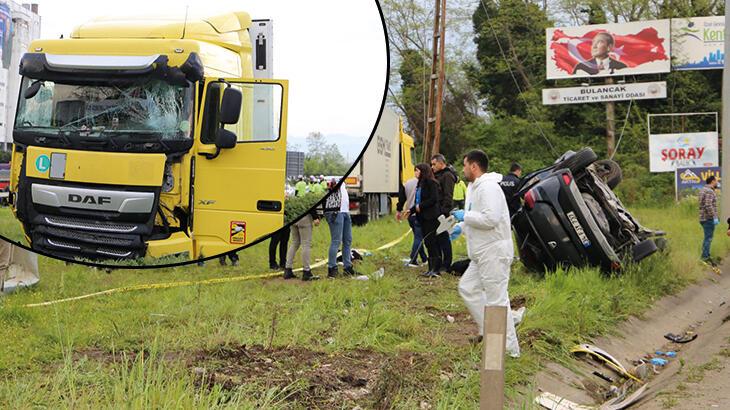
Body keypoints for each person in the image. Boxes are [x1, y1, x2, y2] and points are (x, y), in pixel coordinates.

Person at [452, 149, 520, 357]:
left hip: (493, 252)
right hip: (481, 253)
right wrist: (461, 226)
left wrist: (466, 216)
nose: (463, 169)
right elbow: (477, 217)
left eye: (465, 165)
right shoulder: (475, 187)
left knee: (497, 301)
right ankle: (489, 330)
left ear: (474, 166)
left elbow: (490, 219)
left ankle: (509, 350)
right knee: (468, 288)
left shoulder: (488, 187)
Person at [411, 163, 442, 278]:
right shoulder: (419, 184)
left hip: (431, 217)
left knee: (432, 241)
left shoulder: (432, 183)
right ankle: (430, 268)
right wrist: (411, 210)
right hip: (422, 217)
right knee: (427, 242)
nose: (416, 173)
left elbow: (433, 199)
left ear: (423, 171)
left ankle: (436, 268)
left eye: (417, 170)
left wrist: (421, 206)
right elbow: (417, 201)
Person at [324, 179, 359, 278]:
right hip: (335, 212)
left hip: (345, 211)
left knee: (347, 240)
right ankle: (332, 269)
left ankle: (347, 267)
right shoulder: (332, 179)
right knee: (336, 241)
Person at [431, 154, 458, 273]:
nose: (432, 167)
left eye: (434, 164)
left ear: (441, 163)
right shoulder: (436, 175)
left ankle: (446, 263)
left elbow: (448, 196)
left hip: (442, 213)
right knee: (436, 239)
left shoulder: (447, 176)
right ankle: (438, 261)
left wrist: (443, 211)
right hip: (435, 212)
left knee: (443, 238)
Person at [396, 176, 427, 267]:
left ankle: (424, 258)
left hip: (409, 214)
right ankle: (413, 258)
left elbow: (402, 198)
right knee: (419, 238)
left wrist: (399, 210)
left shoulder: (408, 183)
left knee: (418, 237)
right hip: (419, 214)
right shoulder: (426, 183)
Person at [283, 208, 321, 281]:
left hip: (293, 216)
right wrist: (315, 217)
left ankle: (288, 269)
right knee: (306, 244)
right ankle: (306, 272)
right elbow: (310, 205)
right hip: (305, 218)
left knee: (294, 243)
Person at [699, 175, 719, 263]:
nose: (717, 183)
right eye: (716, 181)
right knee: (708, 238)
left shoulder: (703, 189)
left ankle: (706, 255)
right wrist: (714, 217)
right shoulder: (709, 191)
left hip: (702, 217)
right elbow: (708, 205)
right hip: (708, 218)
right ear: (712, 181)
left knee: (707, 237)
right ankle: (705, 257)